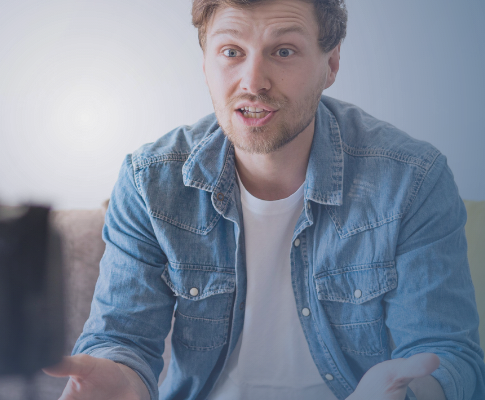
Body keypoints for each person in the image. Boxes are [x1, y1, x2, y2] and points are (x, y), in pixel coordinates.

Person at [43, 0, 485, 399]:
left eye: (284, 51)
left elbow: (448, 354)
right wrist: (119, 377)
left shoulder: (412, 179)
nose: (253, 82)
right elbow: (123, 339)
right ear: (205, 63)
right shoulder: (149, 181)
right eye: (231, 52)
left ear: (330, 64)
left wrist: (413, 392)